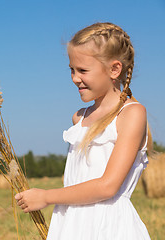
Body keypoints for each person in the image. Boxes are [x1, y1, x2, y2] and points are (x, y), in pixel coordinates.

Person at [15, 22, 152, 239]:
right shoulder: (79, 117)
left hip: (108, 227)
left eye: (82, 70)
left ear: (114, 69)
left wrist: (47, 197)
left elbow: (107, 187)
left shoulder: (131, 114)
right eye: (71, 69)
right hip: (71, 224)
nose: (74, 78)